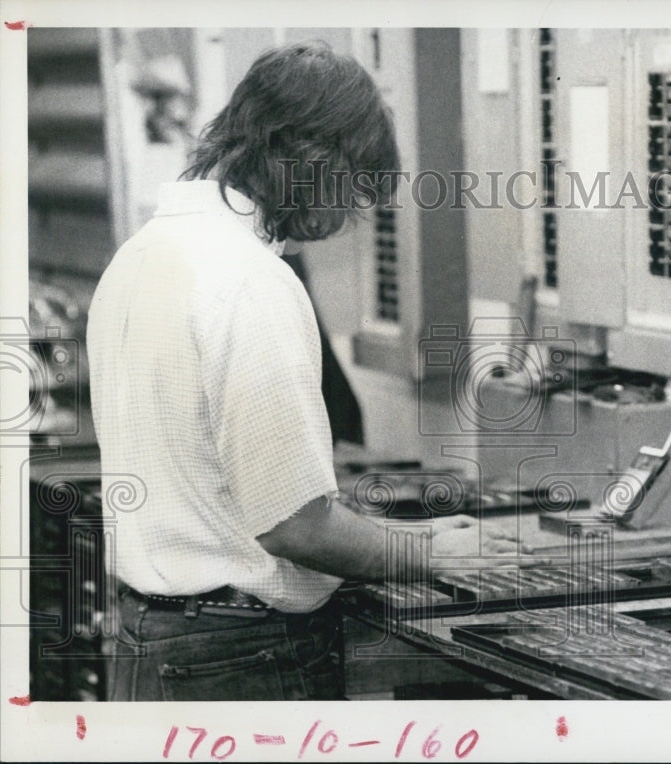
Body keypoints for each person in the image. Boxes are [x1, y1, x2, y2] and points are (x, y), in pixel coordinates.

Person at [87, 40, 518, 702]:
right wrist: (430, 556)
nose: (345, 219)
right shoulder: (250, 280)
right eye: (348, 188)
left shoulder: (138, 257)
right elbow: (292, 527)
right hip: (238, 660)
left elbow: (226, 498)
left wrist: (410, 533)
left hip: (152, 641)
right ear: (304, 154)